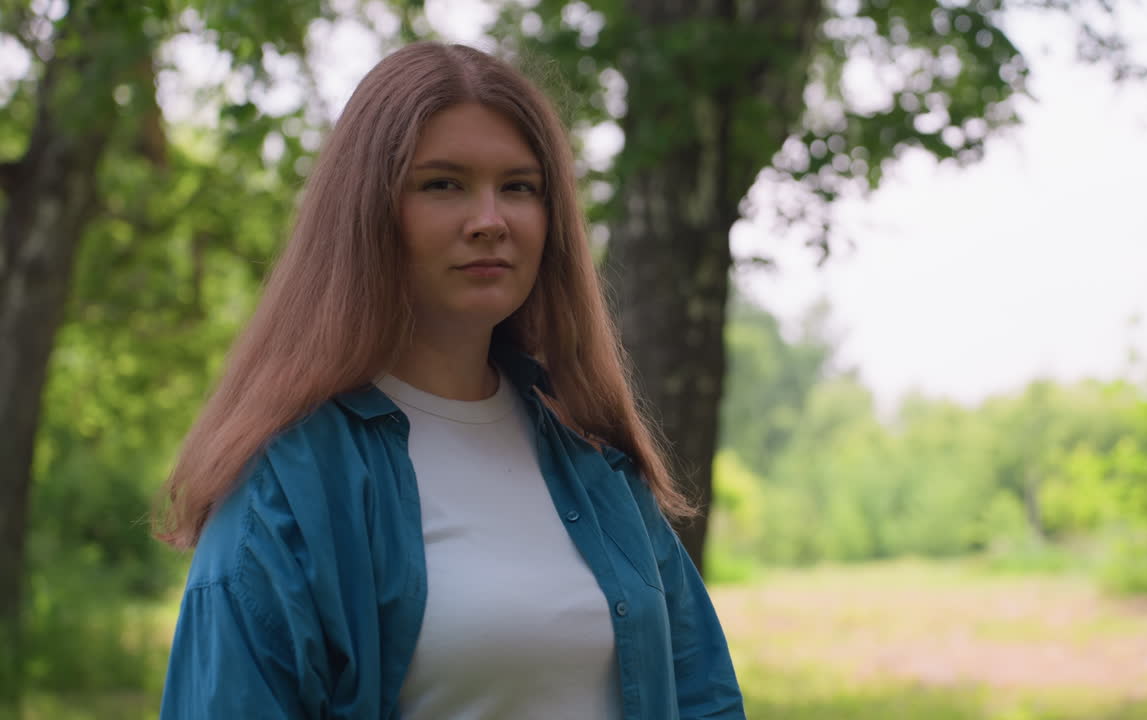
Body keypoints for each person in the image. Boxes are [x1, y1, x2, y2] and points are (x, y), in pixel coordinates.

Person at [155, 41, 744, 719]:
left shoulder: (594, 460)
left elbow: (701, 695)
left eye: (518, 187)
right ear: (368, 211)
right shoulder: (286, 488)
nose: (490, 221)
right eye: (443, 184)